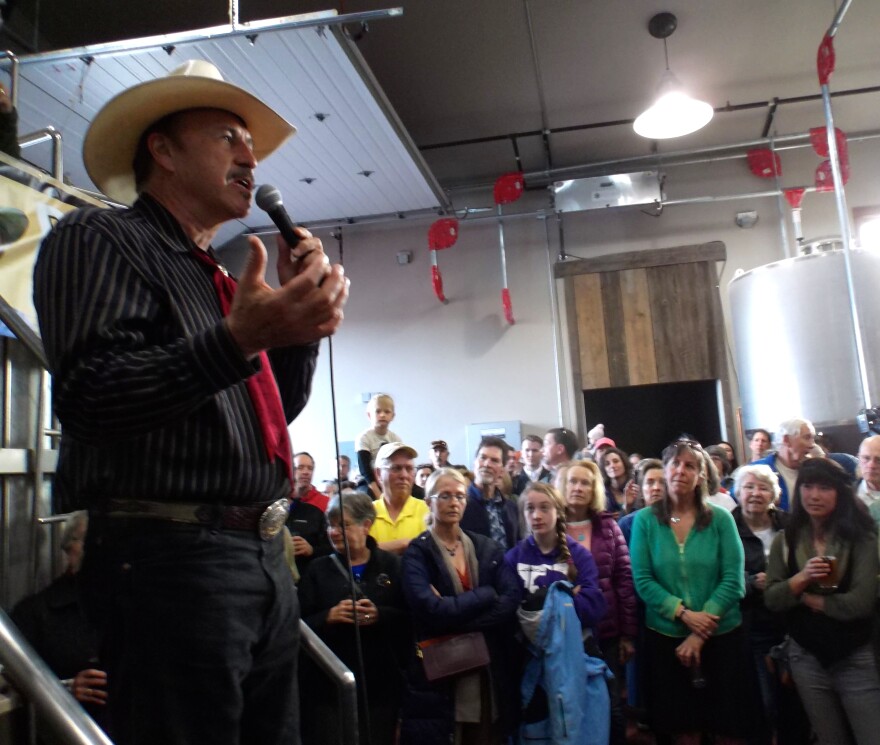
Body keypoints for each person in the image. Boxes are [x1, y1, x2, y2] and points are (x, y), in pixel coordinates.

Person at [32, 60, 349, 744]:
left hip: (260, 556)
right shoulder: (98, 239)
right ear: (164, 149)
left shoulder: (218, 278)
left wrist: (299, 332)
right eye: (227, 135)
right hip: (171, 561)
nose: (249, 153)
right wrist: (239, 338)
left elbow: (265, 420)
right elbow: (91, 398)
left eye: (250, 142)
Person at [630, 439, 756, 744]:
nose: (680, 471)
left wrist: (700, 630)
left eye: (690, 465)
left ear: (701, 474)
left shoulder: (720, 519)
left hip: (721, 635)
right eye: (674, 463)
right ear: (664, 469)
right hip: (667, 638)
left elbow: (733, 579)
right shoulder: (647, 521)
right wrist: (684, 614)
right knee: (683, 728)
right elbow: (643, 580)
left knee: (727, 727)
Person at [399, 468, 520, 744]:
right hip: (439, 675)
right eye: (444, 496)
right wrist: (486, 594)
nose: (454, 503)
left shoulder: (486, 548)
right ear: (429, 501)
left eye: (460, 496)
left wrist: (458, 621)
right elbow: (430, 610)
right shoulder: (418, 553)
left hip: (485, 669)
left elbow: (510, 599)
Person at [764, 458, 880, 745]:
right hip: (807, 656)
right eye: (807, 486)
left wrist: (805, 598)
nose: (814, 495)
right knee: (829, 739)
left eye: (824, 488)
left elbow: (861, 603)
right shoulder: (786, 540)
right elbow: (773, 599)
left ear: (840, 493)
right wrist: (802, 578)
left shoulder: (862, 537)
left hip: (855, 653)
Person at [298, 491, 409, 745]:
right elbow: (298, 625)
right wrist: (328, 616)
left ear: (366, 525)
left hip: (381, 687)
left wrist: (380, 615)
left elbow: (409, 618)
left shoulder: (391, 566)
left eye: (343, 525)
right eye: (330, 525)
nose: (333, 532)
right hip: (328, 689)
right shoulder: (318, 569)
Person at [505, 483, 607, 736]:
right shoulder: (514, 557)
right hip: (530, 656)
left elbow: (594, 606)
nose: (537, 515)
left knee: (573, 726)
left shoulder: (578, 556)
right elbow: (511, 608)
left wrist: (544, 600)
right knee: (538, 728)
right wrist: (563, 595)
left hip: (574, 653)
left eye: (544, 508)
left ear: (558, 512)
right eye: (530, 509)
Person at [562, 460, 637, 745]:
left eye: (585, 482)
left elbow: (624, 581)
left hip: (605, 632)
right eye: (573, 481)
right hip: (565, 632)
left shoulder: (609, 527)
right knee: (571, 704)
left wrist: (628, 635)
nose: (578, 488)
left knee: (611, 706)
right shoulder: (550, 522)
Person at [11, 512, 106, 729]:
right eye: (86, 540)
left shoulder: (128, 605)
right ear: (67, 548)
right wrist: (65, 689)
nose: (97, 551)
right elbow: (13, 685)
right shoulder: (35, 612)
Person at [730, 464, 804, 744]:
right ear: (738, 492)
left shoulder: (789, 524)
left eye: (763, 488)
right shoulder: (727, 525)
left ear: (774, 494)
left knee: (794, 702)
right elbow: (718, 573)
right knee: (764, 702)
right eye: (749, 487)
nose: (755, 493)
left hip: (790, 622)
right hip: (751, 625)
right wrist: (750, 583)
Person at [459, 436, 520, 552]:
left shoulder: (511, 508)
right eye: (483, 458)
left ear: (502, 470)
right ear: (474, 463)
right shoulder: (460, 504)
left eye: (495, 460)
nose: (487, 464)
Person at [369, 442, 430, 555]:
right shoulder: (367, 513)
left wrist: (379, 548)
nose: (404, 475)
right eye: (396, 468)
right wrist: (405, 544)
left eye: (409, 468)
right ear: (378, 474)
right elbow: (358, 554)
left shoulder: (428, 511)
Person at [748, 418, 816, 510]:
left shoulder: (813, 471)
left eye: (813, 439)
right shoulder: (756, 470)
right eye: (807, 438)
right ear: (787, 440)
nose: (812, 445)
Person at [356, 393, 401, 499]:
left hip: (388, 479)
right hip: (368, 482)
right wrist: (379, 494)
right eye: (378, 411)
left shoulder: (396, 439)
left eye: (387, 412)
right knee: (366, 495)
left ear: (392, 416)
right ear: (369, 415)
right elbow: (365, 470)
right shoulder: (364, 438)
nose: (382, 415)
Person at [599, 446, 633, 514]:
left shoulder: (635, 486)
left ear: (624, 463)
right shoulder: (602, 491)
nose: (612, 466)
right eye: (607, 464)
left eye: (616, 461)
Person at [855, 434, 880, 509]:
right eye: (866, 458)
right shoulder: (846, 497)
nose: (871, 465)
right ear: (858, 458)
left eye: (879, 460)